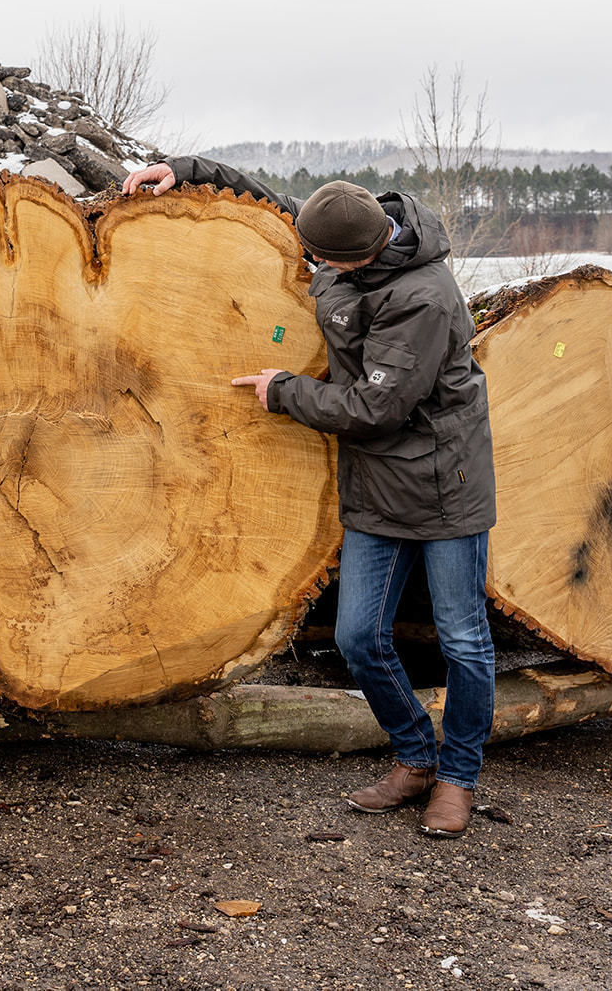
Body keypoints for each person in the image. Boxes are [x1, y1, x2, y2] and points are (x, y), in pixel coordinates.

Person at [121, 158, 496, 838]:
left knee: (464, 640)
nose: (313, 262)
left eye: (322, 260)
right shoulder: (346, 226)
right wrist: (184, 169)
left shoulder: (424, 297)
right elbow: (280, 206)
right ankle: (416, 755)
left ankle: (458, 777)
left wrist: (284, 391)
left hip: (446, 487)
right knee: (358, 638)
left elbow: (377, 406)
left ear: (358, 254)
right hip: (378, 484)